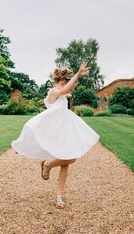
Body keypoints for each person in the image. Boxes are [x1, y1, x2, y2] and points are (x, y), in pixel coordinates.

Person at [11, 62, 100, 209]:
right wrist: (77, 75)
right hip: (56, 131)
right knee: (68, 158)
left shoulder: (62, 93)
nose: (73, 86)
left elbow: (67, 91)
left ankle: (59, 196)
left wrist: (71, 85)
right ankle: (48, 165)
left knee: (69, 159)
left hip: (65, 129)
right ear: (63, 81)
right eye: (70, 83)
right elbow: (65, 90)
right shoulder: (53, 92)